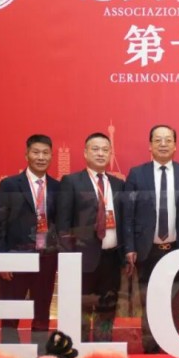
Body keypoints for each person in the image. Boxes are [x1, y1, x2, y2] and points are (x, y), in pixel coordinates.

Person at [123, 124, 179, 353]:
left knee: (175, 300)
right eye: (158, 140)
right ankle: (151, 347)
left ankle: (172, 346)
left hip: (176, 248)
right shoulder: (137, 174)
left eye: (168, 140)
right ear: (150, 145)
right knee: (148, 300)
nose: (163, 144)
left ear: (175, 145)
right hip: (147, 249)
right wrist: (129, 247)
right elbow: (128, 214)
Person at [0, 134, 59, 353]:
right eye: (36, 152)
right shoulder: (10, 185)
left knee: (42, 309)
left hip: (46, 258)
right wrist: (1, 260)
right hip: (16, 258)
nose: (41, 157)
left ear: (51, 156)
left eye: (45, 153)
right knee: (11, 310)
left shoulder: (58, 187)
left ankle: (40, 353)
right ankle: (10, 354)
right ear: (26, 155)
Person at [57, 132, 126, 343]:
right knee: (82, 307)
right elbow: (63, 224)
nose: (100, 154)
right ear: (85, 153)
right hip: (82, 258)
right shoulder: (71, 182)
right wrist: (68, 258)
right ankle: (80, 346)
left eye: (105, 150)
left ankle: (103, 346)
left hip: (111, 258)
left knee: (108, 307)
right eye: (95, 149)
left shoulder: (118, 184)